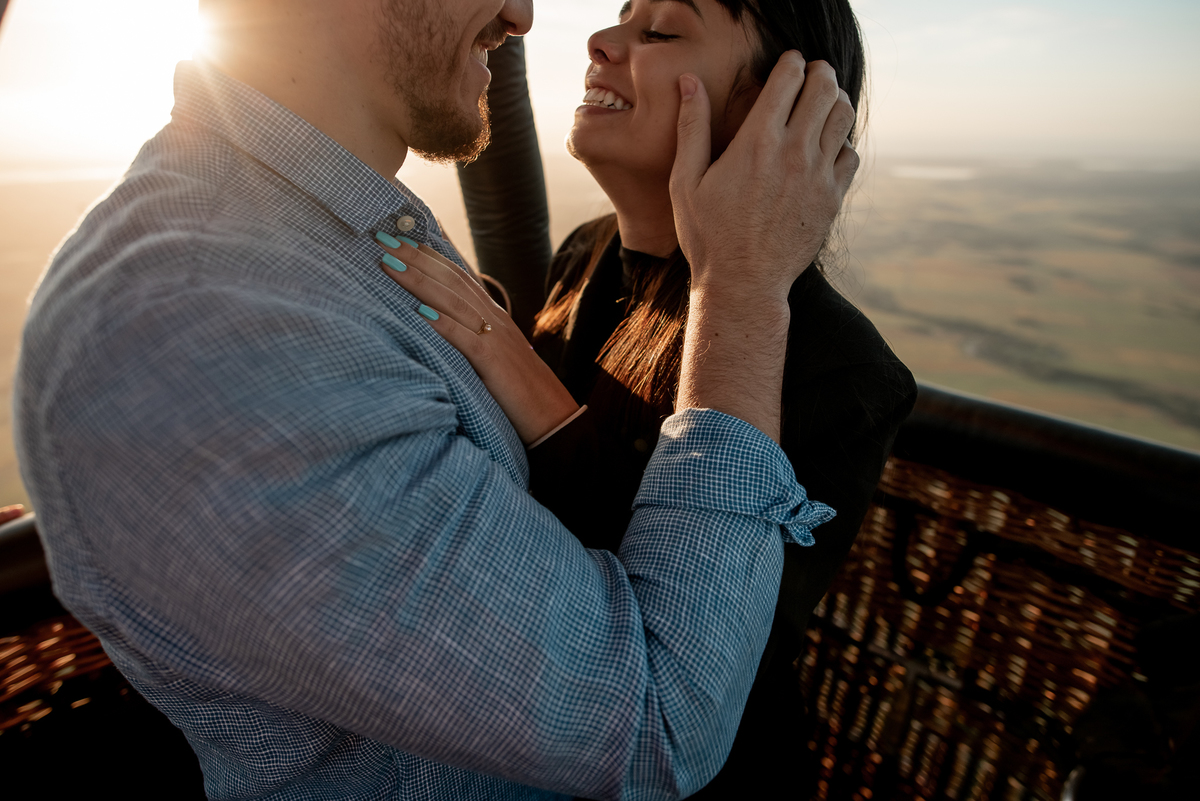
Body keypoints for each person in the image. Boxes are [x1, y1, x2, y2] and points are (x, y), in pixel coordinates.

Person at [13, 0, 860, 799]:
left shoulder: (327, 235)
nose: (524, 17)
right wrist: (744, 286)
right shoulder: (212, 319)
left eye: (664, 30)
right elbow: (657, 720)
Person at [377, 0, 917, 795]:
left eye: (660, 32)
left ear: (779, 108)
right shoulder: (583, 254)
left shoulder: (838, 369)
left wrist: (514, 367)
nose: (600, 42)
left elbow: (692, 646)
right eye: (620, 18)